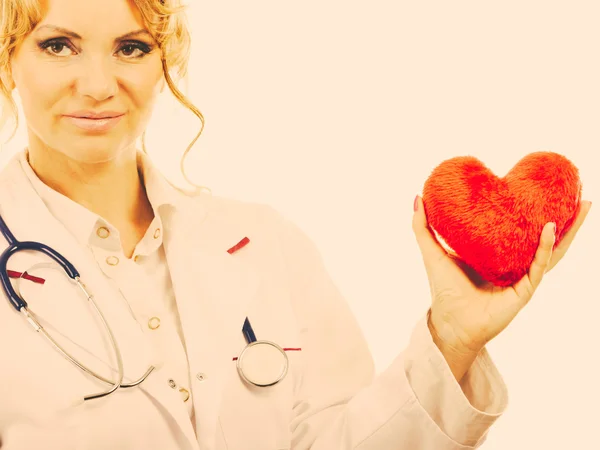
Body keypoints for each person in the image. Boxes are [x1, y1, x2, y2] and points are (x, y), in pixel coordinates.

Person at [0, 0, 591, 449]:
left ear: (165, 62)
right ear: (9, 56)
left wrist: (453, 341)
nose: (100, 85)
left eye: (131, 47)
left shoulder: (263, 244)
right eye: (58, 46)